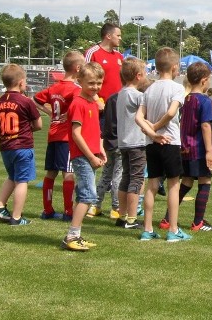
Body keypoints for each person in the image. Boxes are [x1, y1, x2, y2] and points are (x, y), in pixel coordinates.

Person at [136, 47, 189, 242]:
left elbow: (139, 117)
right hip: (170, 141)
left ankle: (147, 229)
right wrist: (158, 129)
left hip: (151, 143)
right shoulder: (177, 88)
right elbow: (171, 113)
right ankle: (173, 230)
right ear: (175, 67)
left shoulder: (150, 88)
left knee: (152, 184)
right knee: (174, 185)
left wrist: (151, 132)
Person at [162, 61, 212, 232]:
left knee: (186, 181)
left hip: (184, 147)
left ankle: (167, 219)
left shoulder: (184, 99)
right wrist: (209, 151)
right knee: (205, 180)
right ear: (203, 80)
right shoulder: (204, 101)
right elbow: (206, 126)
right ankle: (198, 222)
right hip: (199, 148)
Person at [116, 57, 167, 229]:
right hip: (136, 143)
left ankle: (121, 216)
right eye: (145, 73)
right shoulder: (137, 96)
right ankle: (131, 218)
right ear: (138, 76)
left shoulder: (121, 93)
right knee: (137, 180)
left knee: (126, 178)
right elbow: (146, 114)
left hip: (123, 142)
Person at [61, 62, 107, 250]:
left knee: (84, 194)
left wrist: (101, 149)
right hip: (82, 156)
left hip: (91, 154)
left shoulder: (93, 103)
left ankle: (76, 234)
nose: (95, 87)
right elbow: (76, 134)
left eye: (99, 83)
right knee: (89, 195)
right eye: (91, 83)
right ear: (80, 81)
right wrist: (91, 156)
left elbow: (94, 131)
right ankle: (71, 236)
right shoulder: (78, 104)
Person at [0, 64, 43, 226]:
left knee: (12, 177)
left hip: (5, 146)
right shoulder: (25, 101)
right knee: (22, 181)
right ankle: (17, 217)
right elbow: (38, 124)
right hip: (22, 145)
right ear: (21, 82)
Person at [33, 50, 84, 220]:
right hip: (66, 137)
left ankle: (47, 210)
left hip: (53, 134)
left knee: (50, 173)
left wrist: (50, 113)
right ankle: (69, 211)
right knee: (68, 173)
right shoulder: (75, 89)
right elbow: (78, 105)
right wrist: (67, 115)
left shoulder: (54, 87)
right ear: (78, 68)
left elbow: (36, 99)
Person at [92, 82, 122, 220]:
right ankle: (116, 208)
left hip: (109, 141)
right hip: (120, 142)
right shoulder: (125, 98)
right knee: (117, 176)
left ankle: (95, 205)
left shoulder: (111, 98)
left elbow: (105, 120)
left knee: (106, 174)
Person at [84, 22, 124, 115]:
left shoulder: (119, 56)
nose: (120, 38)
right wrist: (97, 100)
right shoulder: (92, 53)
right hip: (99, 108)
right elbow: (83, 80)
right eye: (118, 35)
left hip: (117, 107)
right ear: (109, 36)